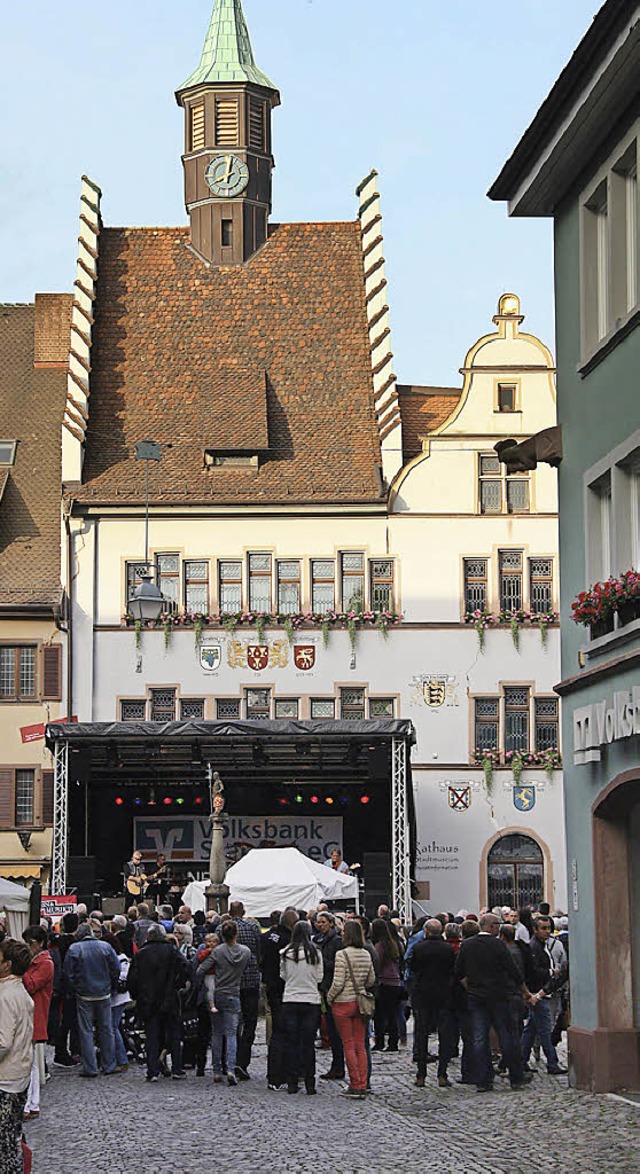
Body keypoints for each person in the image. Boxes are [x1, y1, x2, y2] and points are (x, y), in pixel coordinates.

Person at [454, 912, 533, 1093]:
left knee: (479, 1038)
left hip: (476, 997)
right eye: (497, 924)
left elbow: (458, 972)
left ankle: (483, 1080)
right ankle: (516, 1077)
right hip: (498, 996)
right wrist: (525, 992)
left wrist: (470, 987)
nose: (499, 927)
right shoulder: (498, 944)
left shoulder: (467, 945)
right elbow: (512, 970)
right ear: (490, 926)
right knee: (506, 1036)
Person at [127, 923, 190, 1082]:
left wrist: (136, 995)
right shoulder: (171, 950)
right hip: (169, 997)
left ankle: (152, 1070)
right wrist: (178, 985)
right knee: (174, 1035)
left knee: (151, 1036)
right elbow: (185, 968)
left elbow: (132, 979)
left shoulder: (141, 954)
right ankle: (177, 1068)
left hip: (148, 999)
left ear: (148, 936)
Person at [63, 923, 120, 1078]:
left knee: (86, 1030)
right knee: (106, 1029)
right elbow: (116, 969)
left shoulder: (74, 949)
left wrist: (75, 988)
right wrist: (111, 985)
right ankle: (109, 1064)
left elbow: (68, 974)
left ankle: (90, 1067)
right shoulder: (105, 947)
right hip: (104, 993)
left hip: (84, 994)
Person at [197, 920, 250, 1086]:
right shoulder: (245, 952)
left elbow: (201, 969)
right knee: (232, 1034)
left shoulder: (218, 951)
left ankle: (217, 1070)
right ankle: (231, 1068)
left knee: (217, 1033)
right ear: (236, 934)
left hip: (218, 993)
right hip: (234, 993)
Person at [327, 919, 375, 1098]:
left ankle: (354, 1083)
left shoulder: (342, 954)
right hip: (360, 1002)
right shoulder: (366, 953)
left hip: (343, 1002)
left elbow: (338, 982)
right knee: (360, 1045)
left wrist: (330, 997)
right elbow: (371, 980)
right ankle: (363, 1083)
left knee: (348, 1045)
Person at [0, 938, 34, 1174]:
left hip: (6, 1079)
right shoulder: (20, 991)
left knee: (5, 1145)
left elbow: (2, 1042)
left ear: (7, 964)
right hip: (19, 1074)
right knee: (12, 1139)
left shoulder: (5, 995)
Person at [410, 918, 455, 1089]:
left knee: (422, 1034)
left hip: (423, 994)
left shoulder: (419, 948)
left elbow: (414, 968)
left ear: (426, 931)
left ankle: (421, 1074)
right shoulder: (448, 949)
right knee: (445, 1035)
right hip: (443, 994)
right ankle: (442, 1073)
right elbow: (452, 969)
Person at [280, 920, 324, 1095]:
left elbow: (282, 975)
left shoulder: (285, 953)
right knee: (308, 1043)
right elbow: (319, 977)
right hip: (310, 999)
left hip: (290, 997)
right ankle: (310, 1082)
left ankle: (292, 1081)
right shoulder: (316, 953)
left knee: (291, 1042)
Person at [521, 916, 568, 1075]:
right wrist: (550, 972)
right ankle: (552, 1063)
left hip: (541, 992)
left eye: (548, 928)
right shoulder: (534, 947)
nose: (547, 931)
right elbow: (533, 972)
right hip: (538, 992)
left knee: (531, 1029)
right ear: (535, 930)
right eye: (543, 928)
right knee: (545, 1030)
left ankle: (520, 1060)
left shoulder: (542, 945)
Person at [261, 907, 298, 1091]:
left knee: (276, 1032)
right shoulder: (289, 942)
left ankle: (273, 1075)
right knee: (288, 1033)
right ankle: (287, 1073)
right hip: (286, 990)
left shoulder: (267, 936)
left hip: (271, 988)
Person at [21, 926, 54, 1120]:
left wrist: (21, 967)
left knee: (30, 1062)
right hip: (33, 1014)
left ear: (40, 943)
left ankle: (31, 1103)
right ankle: (32, 1103)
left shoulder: (45, 964)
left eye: (30, 943)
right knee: (31, 1062)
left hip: (35, 1015)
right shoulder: (40, 962)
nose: (28, 947)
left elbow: (32, 984)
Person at [227, 902, 262, 1080]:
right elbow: (259, 951)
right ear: (244, 912)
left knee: (231, 1024)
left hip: (230, 982)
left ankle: (230, 1061)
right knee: (250, 1022)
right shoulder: (252, 928)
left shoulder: (222, 928)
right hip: (250, 981)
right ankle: (243, 1061)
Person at [313, 911, 345, 1081]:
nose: (320, 925)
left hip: (333, 987)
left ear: (331, 923)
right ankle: (336, 1064)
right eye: (318, 922)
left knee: (335, 1030)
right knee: (330, 1028)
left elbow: (336, 965)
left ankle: (339, 1065)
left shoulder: (336, 942)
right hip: (324, 987)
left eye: (323, 922)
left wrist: (322, 961)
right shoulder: (319, 940)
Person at [371, 918, 403, 1052]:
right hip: (395, 982)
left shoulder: (379, 946)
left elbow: (377, 964)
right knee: (392, 1014)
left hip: (383, 982)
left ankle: (380, 1041)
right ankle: (393, 1042)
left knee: (380, 1015)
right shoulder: (396, 944)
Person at [110, 946, 131, 1072]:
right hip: (120, 998)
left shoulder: (121, 959)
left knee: (113, 1027)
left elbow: (124, 976)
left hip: (118, 998)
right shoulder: (122, 958)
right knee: (115, 1027)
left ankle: (122, 1059)